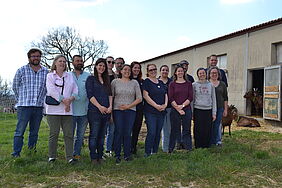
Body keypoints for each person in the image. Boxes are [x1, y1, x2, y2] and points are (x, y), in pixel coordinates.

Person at [12, 48, 48, 157]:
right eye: (33, 56)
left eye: (38, 56)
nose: (36, 58)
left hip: (38, 107)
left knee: (34, 132)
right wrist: (21, 100)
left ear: (40, 58)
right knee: (20, 131)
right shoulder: (21, 70)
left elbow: (47, 89)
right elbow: (15, 87)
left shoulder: (46, 72)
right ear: (29, 58)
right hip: (24, 106)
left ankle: (31, 153)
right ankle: (16, 154)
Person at [46, 54, 78, 163]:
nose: (62, 63)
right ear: (55, 63)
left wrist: (70, 99)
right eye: (60, 61)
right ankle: (52, 157)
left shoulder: (69, 76)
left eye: (64, 61)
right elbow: (51, 91)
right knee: (54, 133)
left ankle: (69, 157)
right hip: (53, 110)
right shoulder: (50, 76)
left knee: (69, 134)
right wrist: (64, 100)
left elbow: (75, 90)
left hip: (67, 110)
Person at [112, 64, 142, 163]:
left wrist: (128, 106)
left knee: (127, 132)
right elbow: (111, 97)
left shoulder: (134, 83)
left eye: (129, 70)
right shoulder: (115, 82)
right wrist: (111, 112)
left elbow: (139, 98)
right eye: (125, 69)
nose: (127, 71)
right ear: (121, 71)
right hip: (117, 110)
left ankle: (127, 155)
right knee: (119, 131)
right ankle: (117, 154)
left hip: (131, 111)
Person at [86, 58, 112, 165]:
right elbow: (90, 95)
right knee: (94, 135)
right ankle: (93, 157)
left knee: (102, 136)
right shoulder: (91, 79)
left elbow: (110, 94)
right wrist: (99, 106)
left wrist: (110, 106)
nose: (101, 68)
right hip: (94, 112)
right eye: (99, 65)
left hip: (106, 112)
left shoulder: (107, 80)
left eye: (103, 66)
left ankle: (100, 156)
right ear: (96, 66)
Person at [143, 64, 168, 157]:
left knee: (158, 132)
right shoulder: (146, 82)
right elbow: (146, 96)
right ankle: (147, 152)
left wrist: (165, 105)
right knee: (152, 132)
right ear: (148, 72)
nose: (153, 71)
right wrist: (156, 106)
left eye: (154, 69)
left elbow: (165, 94)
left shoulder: (161, 82)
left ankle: (155, 151)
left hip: (161, 111)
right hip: (151, 111)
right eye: (151, 70)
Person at [168, 65, 193, 152]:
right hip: (175, 109)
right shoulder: (172, 84)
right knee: (175, 129)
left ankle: (188, 148)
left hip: (186, 109)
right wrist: (178, 109)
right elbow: (170, 98)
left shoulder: (188, 84)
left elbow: (190, 97)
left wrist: (182, 106)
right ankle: (171, 148)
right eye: (178, 71)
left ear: (184, 72)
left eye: (181, 71)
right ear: (175, 73)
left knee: (187, 129)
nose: (180, 72)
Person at [71, 55, 90, 160]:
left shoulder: (88, 76)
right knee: (69, 135)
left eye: (81, 61)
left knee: (80, 135)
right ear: (73, 63)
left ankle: (76, 154)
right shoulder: (68, 75)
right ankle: (69, 154)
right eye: (77, 61)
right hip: (70, 111)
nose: (79, 62)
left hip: (84, 111)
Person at [192, 68, 216, 149]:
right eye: (200, 73)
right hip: (198, 109)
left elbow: (214, 99)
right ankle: (198, 145)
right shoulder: (194, 85)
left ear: (206, 74)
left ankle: (206, 146)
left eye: (203, 73)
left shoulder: (211, 85)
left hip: (208, 110)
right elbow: (192, 99)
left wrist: (214, 113)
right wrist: (192, 112)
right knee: (198, 129)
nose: (202, 74)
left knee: (207, 129)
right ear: (198, 75)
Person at [208, 67, 228, 146]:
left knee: (217, 124)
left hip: (220, 108)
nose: (214, 74)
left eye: (215, 73)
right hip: (209, 108)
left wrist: (225, 109)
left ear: (218, 74)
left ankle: (217, 141)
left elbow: (225, 98)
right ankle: (210, 141)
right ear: (209, 74)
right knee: (210, 125)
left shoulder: (222, 84)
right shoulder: (207, 83)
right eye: (212, 73)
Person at [130, 61, 144, 154]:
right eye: (135, 68)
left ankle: (133, 148)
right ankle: (126, 147)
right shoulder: (127, 80)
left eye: (138, 68)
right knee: (127, 129)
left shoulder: (142, 82)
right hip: (129, 108)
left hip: (139, 109)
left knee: (136, 129)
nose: (136, 70)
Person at [158, 65, 172, 153]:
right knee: (158, 129)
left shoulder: (171, 82)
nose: (165, 72)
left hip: (169, 108)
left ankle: (166, 149)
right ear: (160, 71)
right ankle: (154, 148)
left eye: (167, 70)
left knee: (168, 129)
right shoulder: (156, 81)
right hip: (158, 108)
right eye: (163, 70)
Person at [105, 56, 116, 156]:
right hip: (102, 105)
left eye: (113, 62)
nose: (111, 64)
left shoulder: (116, 76)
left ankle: (108, 150)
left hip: (113, 105)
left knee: (111, 130)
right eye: (108, 62)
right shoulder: (100, 75)